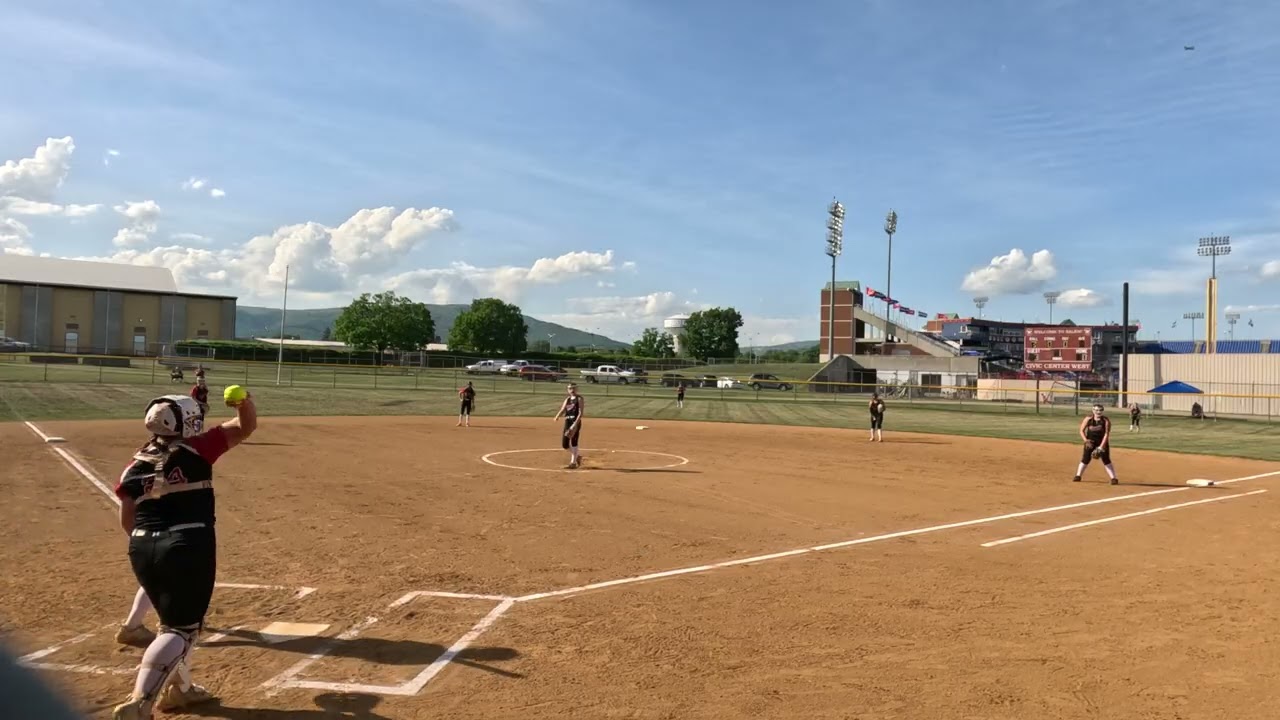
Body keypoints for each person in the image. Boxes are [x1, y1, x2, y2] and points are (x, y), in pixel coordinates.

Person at [110, 389, 257, 719]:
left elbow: (127, 521)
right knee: (181, 631)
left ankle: (182, 689)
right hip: (187, 546)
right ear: (187, 421)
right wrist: (244, 402)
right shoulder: (198, 448)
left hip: (142, 547)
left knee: (170, 624)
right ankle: (140, 701)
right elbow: (245, 428)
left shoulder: (134, 465)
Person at [1074, 403, 1118, 485]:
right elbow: (1081, 431)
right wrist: (1086, 440)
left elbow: (1106, 434)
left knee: (1106, 459)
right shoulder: (1088, 419)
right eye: (1096, 410)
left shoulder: (1105, 420)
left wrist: (1101, 446)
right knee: (1086, 458)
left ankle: (1113, 478)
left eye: (1100, 410)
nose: (1098, 412)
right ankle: (1078, 475)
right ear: (1093, 411)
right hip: (1090, 442)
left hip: (1102, 442)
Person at [553, 383, 585, 469]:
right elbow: (563, 409)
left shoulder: (579, 399)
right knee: (565, 445)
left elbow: (580, 413)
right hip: (567, 421)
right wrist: (557, 416)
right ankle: (578, 456)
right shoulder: (567, 399)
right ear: (568, 390)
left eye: (574, 388)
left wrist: (575, 424)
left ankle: (573, 463)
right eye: (570, 388)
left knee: (574, 441)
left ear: (577, 389)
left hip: (575, 421)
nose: (572, 390)